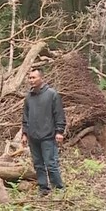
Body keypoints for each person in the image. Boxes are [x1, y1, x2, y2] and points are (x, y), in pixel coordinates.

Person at [21, 68, 66, 196]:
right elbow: (25, 117)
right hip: (33, 136)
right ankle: (43, 188)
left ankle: (59, 189)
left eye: (34, 77)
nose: (31, 80)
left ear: (41, 78)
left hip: (48, 136)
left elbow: (59, 114)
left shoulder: (52, 94)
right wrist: (24, 133)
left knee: (51, 163)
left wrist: (59, 131)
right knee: (38, 164)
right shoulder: (29, 97)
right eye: (29, 78)